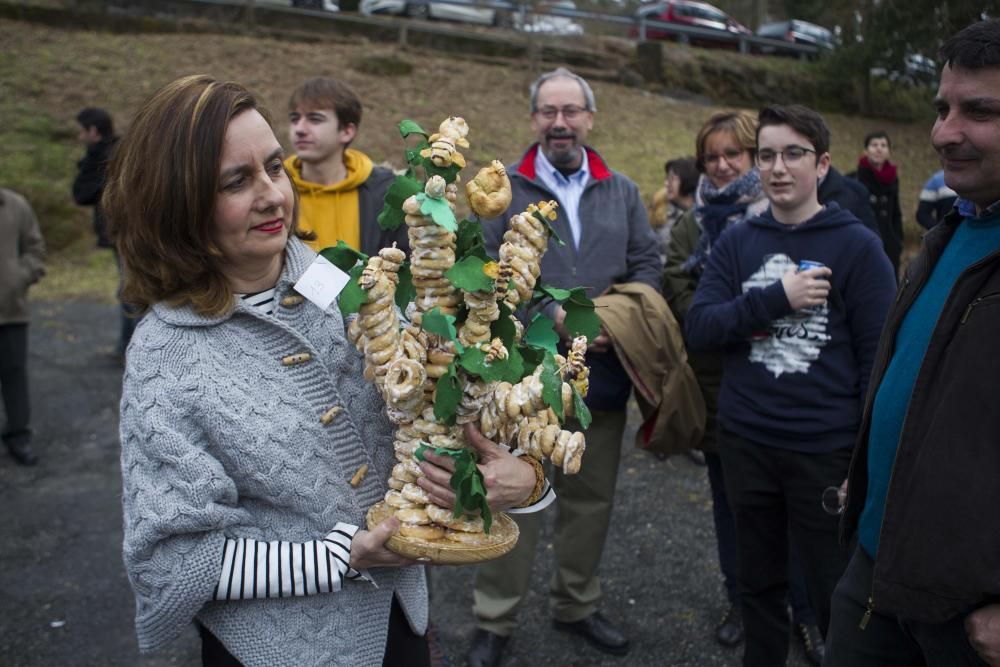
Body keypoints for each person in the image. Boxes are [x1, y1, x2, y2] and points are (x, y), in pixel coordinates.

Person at [105, 74, 541, 667]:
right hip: (279, 650)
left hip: (400, 626)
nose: (272, 195)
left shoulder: (341, 286)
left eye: (275, 167)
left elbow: (462, 396)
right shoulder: (166, 356)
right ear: (176, 204)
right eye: (236, 181)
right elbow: (173, 560)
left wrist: (528, 479)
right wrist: (343, 556)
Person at [685, 104, 897, 667]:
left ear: (822, 164)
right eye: (769, 155)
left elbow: (878, 361)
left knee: (833, 589)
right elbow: (700, 329)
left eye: (794, 154)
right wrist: (776, 299)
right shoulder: (737, 242)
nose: (779, 168)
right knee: (758, 585)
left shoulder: (856, 247)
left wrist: (862, 461)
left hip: (823, 451)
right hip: (746, 441)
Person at [466, 67, 662, 667]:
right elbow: (481, 280)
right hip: (521, 380)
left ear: (589, 118)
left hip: (600, 375)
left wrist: (613, 319)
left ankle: (577, 603)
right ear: (534, 120)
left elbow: (648, 266)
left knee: (589, 497)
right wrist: (547, 313)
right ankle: (494, 619)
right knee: (513, 494)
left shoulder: (623, 191)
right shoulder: (503, 188)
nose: (560, 122)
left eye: (571, 111)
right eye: (548, 111)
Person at [826, 19, 1000, 667]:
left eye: (978, 111)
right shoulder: (950, 232)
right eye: (942, 108)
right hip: (874, 572)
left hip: (968, 620)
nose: (942, 132)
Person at [662, 109, 769, 652]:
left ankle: (799, 608)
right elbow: (683, 302)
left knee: (789, 506)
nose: (723, 165)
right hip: (717, 388)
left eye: (735, 154)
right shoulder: (689, 224)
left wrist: (729, 304)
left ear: (755, 155)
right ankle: (740, 601)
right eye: (712, 156)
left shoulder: (783, 212)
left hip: (783, 388)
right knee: (730, 506)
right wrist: (749, 309)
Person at [284, 77, 408, 256]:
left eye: (315, 119)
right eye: (295, 119)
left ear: (347, 131)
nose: (299, 129)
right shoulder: (275, 192)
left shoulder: (389, 194)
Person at [73, 107, 134, 359]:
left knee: (132, 291)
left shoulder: (110, 159)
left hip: (126, 236)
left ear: (94, 132)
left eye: (82, 131)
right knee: (129, 290)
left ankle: (132, 349)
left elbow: (82, 193)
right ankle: (127, 347)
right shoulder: (107, 155)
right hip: (120, 235)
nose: (79, 137)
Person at [0, 188, 45, 467]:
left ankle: (18, 435)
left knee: (14, 375)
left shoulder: (15, 205)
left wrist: (18, 278)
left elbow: (36, 250)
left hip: (10, 312)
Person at [848, 130, 904, 275]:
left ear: (889, 152)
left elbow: (896, 214)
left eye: (883, 145)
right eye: (874, 145)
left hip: (889, 248)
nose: (879, 148)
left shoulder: (893, 180)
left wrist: (897, 241)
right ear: (865, 151)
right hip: (861, 246)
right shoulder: (852, 180)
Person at [649, 157, 699, 262]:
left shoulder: (704, 216)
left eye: (672, 179)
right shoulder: (660, 212)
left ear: (687, 179)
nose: (666, 184)